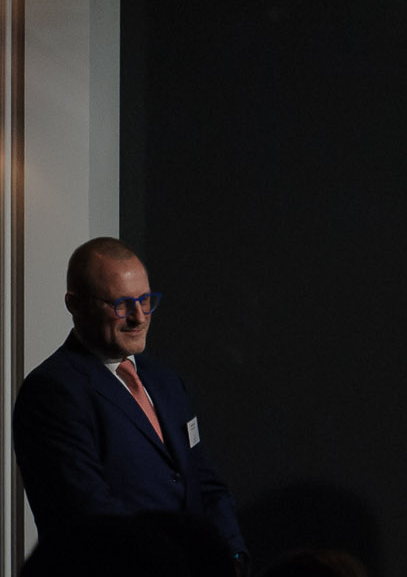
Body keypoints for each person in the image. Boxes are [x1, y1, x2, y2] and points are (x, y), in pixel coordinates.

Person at [12, 238, 246, 558]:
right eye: (122, 305)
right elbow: (88, 512)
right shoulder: (53, 392)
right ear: (75, 305)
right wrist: (171, 570)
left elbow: (203, 482)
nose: (139, 317)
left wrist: (233, 557)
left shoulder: (166, 382)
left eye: (145, 300)